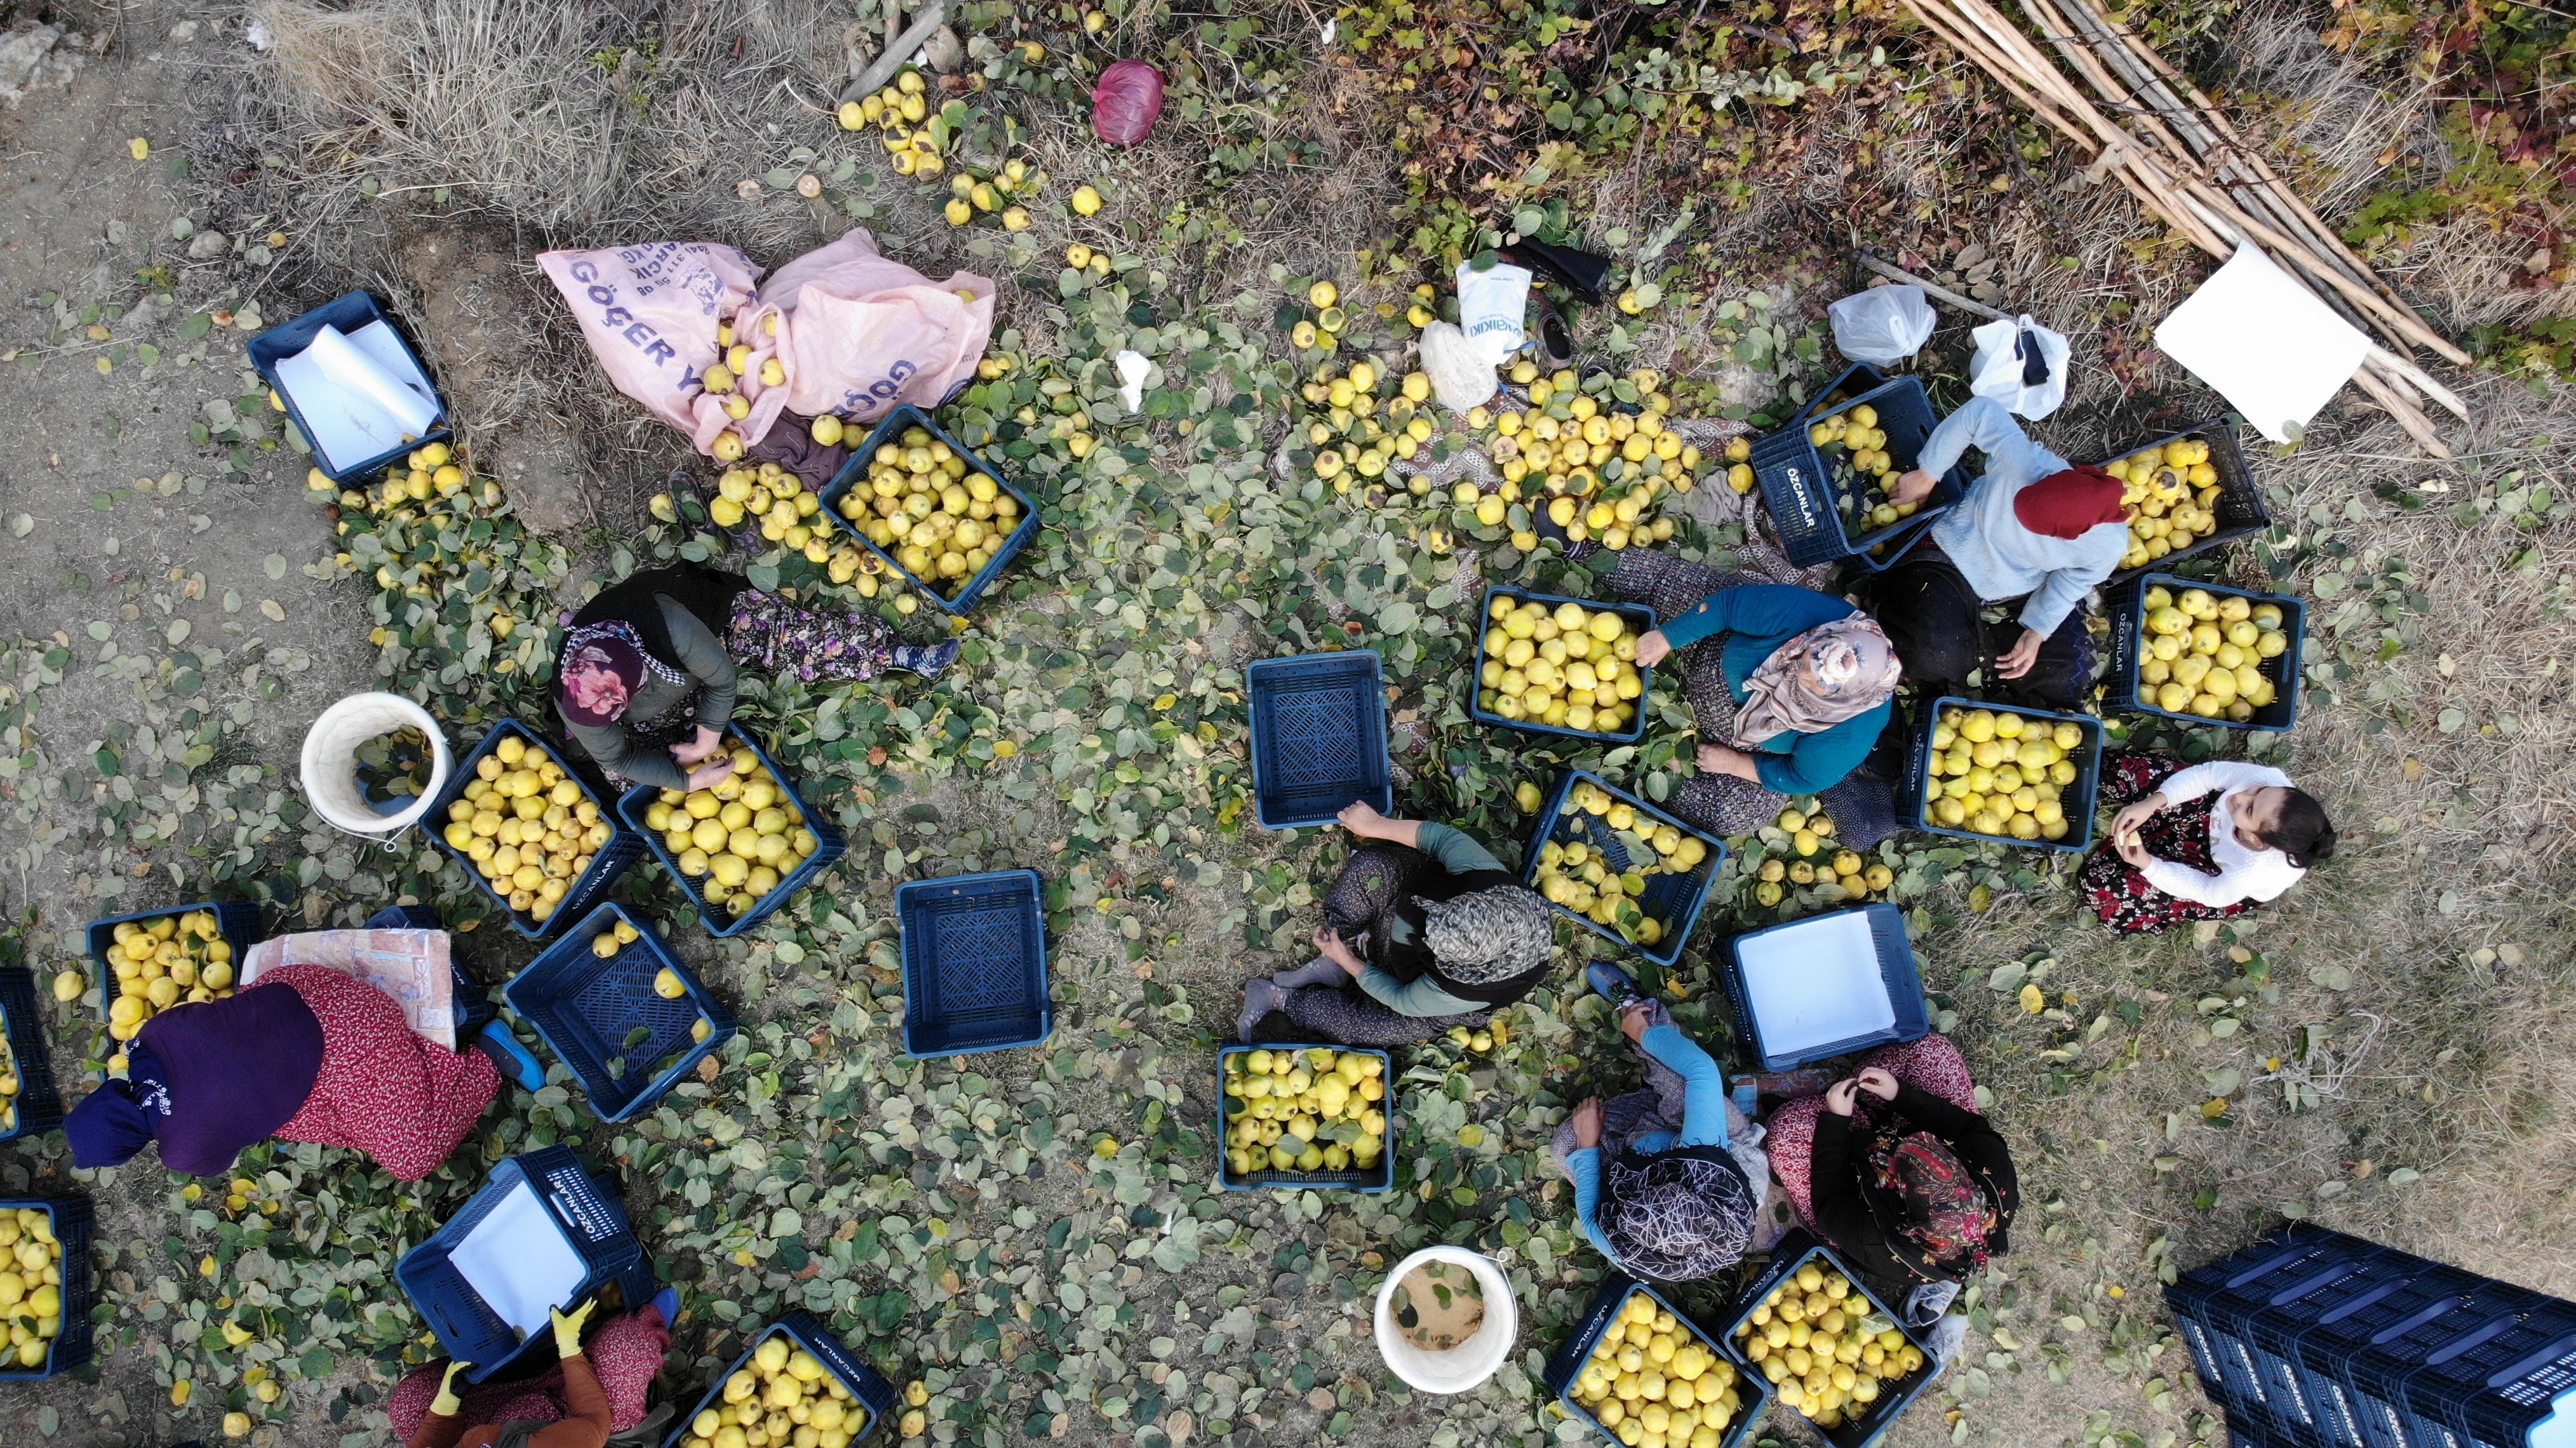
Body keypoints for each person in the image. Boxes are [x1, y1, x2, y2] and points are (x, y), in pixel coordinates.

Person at [65, 962, 504, 1181]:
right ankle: (405, 1078)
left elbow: (232, 1152)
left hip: (356, 1037)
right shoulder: (150, 1037)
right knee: (279, 1108)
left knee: (412, 1159)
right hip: (315, 989)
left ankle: (485, 1062)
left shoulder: (182, 1151)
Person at [557, 563, 958, 791]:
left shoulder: (668, 626)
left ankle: (900, 654)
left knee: (792, 638)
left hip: (711, 627)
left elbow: (721, 680)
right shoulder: (578, 699)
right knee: (625, 778)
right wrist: (687, 781)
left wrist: (708, 738)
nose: (603, 716)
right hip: (655, 703)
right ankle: (685, 738)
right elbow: (617, 754)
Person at [1611, 551, 1904, 845]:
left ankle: (1636, 764)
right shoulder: (1821, 617)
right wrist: (1668, 638)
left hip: (1736, 742)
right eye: (1804, 660)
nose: (1799, 674)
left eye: (1813, 685)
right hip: (1708, 652)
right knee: (1677, 586)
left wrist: (1734, 763)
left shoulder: (1850, 732)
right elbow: (1728, 607)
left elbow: (1803, 778)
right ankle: (1589, 555)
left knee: (1738, 813)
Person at [1869, 396, 2128, 708]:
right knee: (1934, 657)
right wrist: (1929, 472)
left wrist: (2038, 630)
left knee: (2063, 677)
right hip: (1950, 553)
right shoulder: (2024, 463)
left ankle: (1984, 667)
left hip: (2014, 590)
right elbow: (1980, 412)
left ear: (2071, 536)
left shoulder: (2107, 545)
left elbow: (2074, 579)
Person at [1235, 802, 1557, 1047]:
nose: (1427, 925)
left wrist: (1351, 965)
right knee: (1373, 866)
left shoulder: (1458, 991)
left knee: (1365, 1027)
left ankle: (1280, 997)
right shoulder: (1495, 888)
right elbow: (1440, 838)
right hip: (1407, 895)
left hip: (1411, 981)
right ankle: (1344, 938)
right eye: (1438, 914)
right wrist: (1376, 825)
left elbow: (1401, 998)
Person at [1552, 964, 1766, 1283]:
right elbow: (1701, 1070)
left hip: (1641, 1154)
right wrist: (1645, 1036)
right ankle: (1634, 1011)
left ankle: (1640, 1106)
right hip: (1715, 1144)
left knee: (1562, 1150)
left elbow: (1589, 1212)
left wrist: (1587, 1144)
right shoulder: (1707, 1163)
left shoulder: (1619, 1240)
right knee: (1681, 1078)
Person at [1759, 1035, 2016, 1292]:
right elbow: (1964, 1125)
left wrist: (1836, 1122)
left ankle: (1847, 1108)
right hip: (1909, 1126)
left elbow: (1831, 1198)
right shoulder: (1995, 1177)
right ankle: (1865, 1097)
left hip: (1853, 1185)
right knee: (1932, 1051)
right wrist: (1900, 1095)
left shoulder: (1879, 1244)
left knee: (1787, 1129)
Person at [2080, 754, 2335, 934]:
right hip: (2208, 813)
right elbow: (2209, 774)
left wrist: (2149, 865)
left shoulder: (2248, 873)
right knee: (2117, 768)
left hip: (2212, 867)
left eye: (2249, 809)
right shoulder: (2268, 778)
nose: (2240, 796)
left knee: (2104, 885)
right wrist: (2153, 803)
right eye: (2258, 791)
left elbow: (2208, 891)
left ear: (2255, 839)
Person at [392, 1292, 676, 1448]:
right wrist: (568, 1348)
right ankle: (646, 1327)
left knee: (409, 1405)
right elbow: (593, 1421)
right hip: (583, 1422)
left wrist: (443, 1412)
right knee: (626, 1345)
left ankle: (515, 1366)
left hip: (496, 1418)